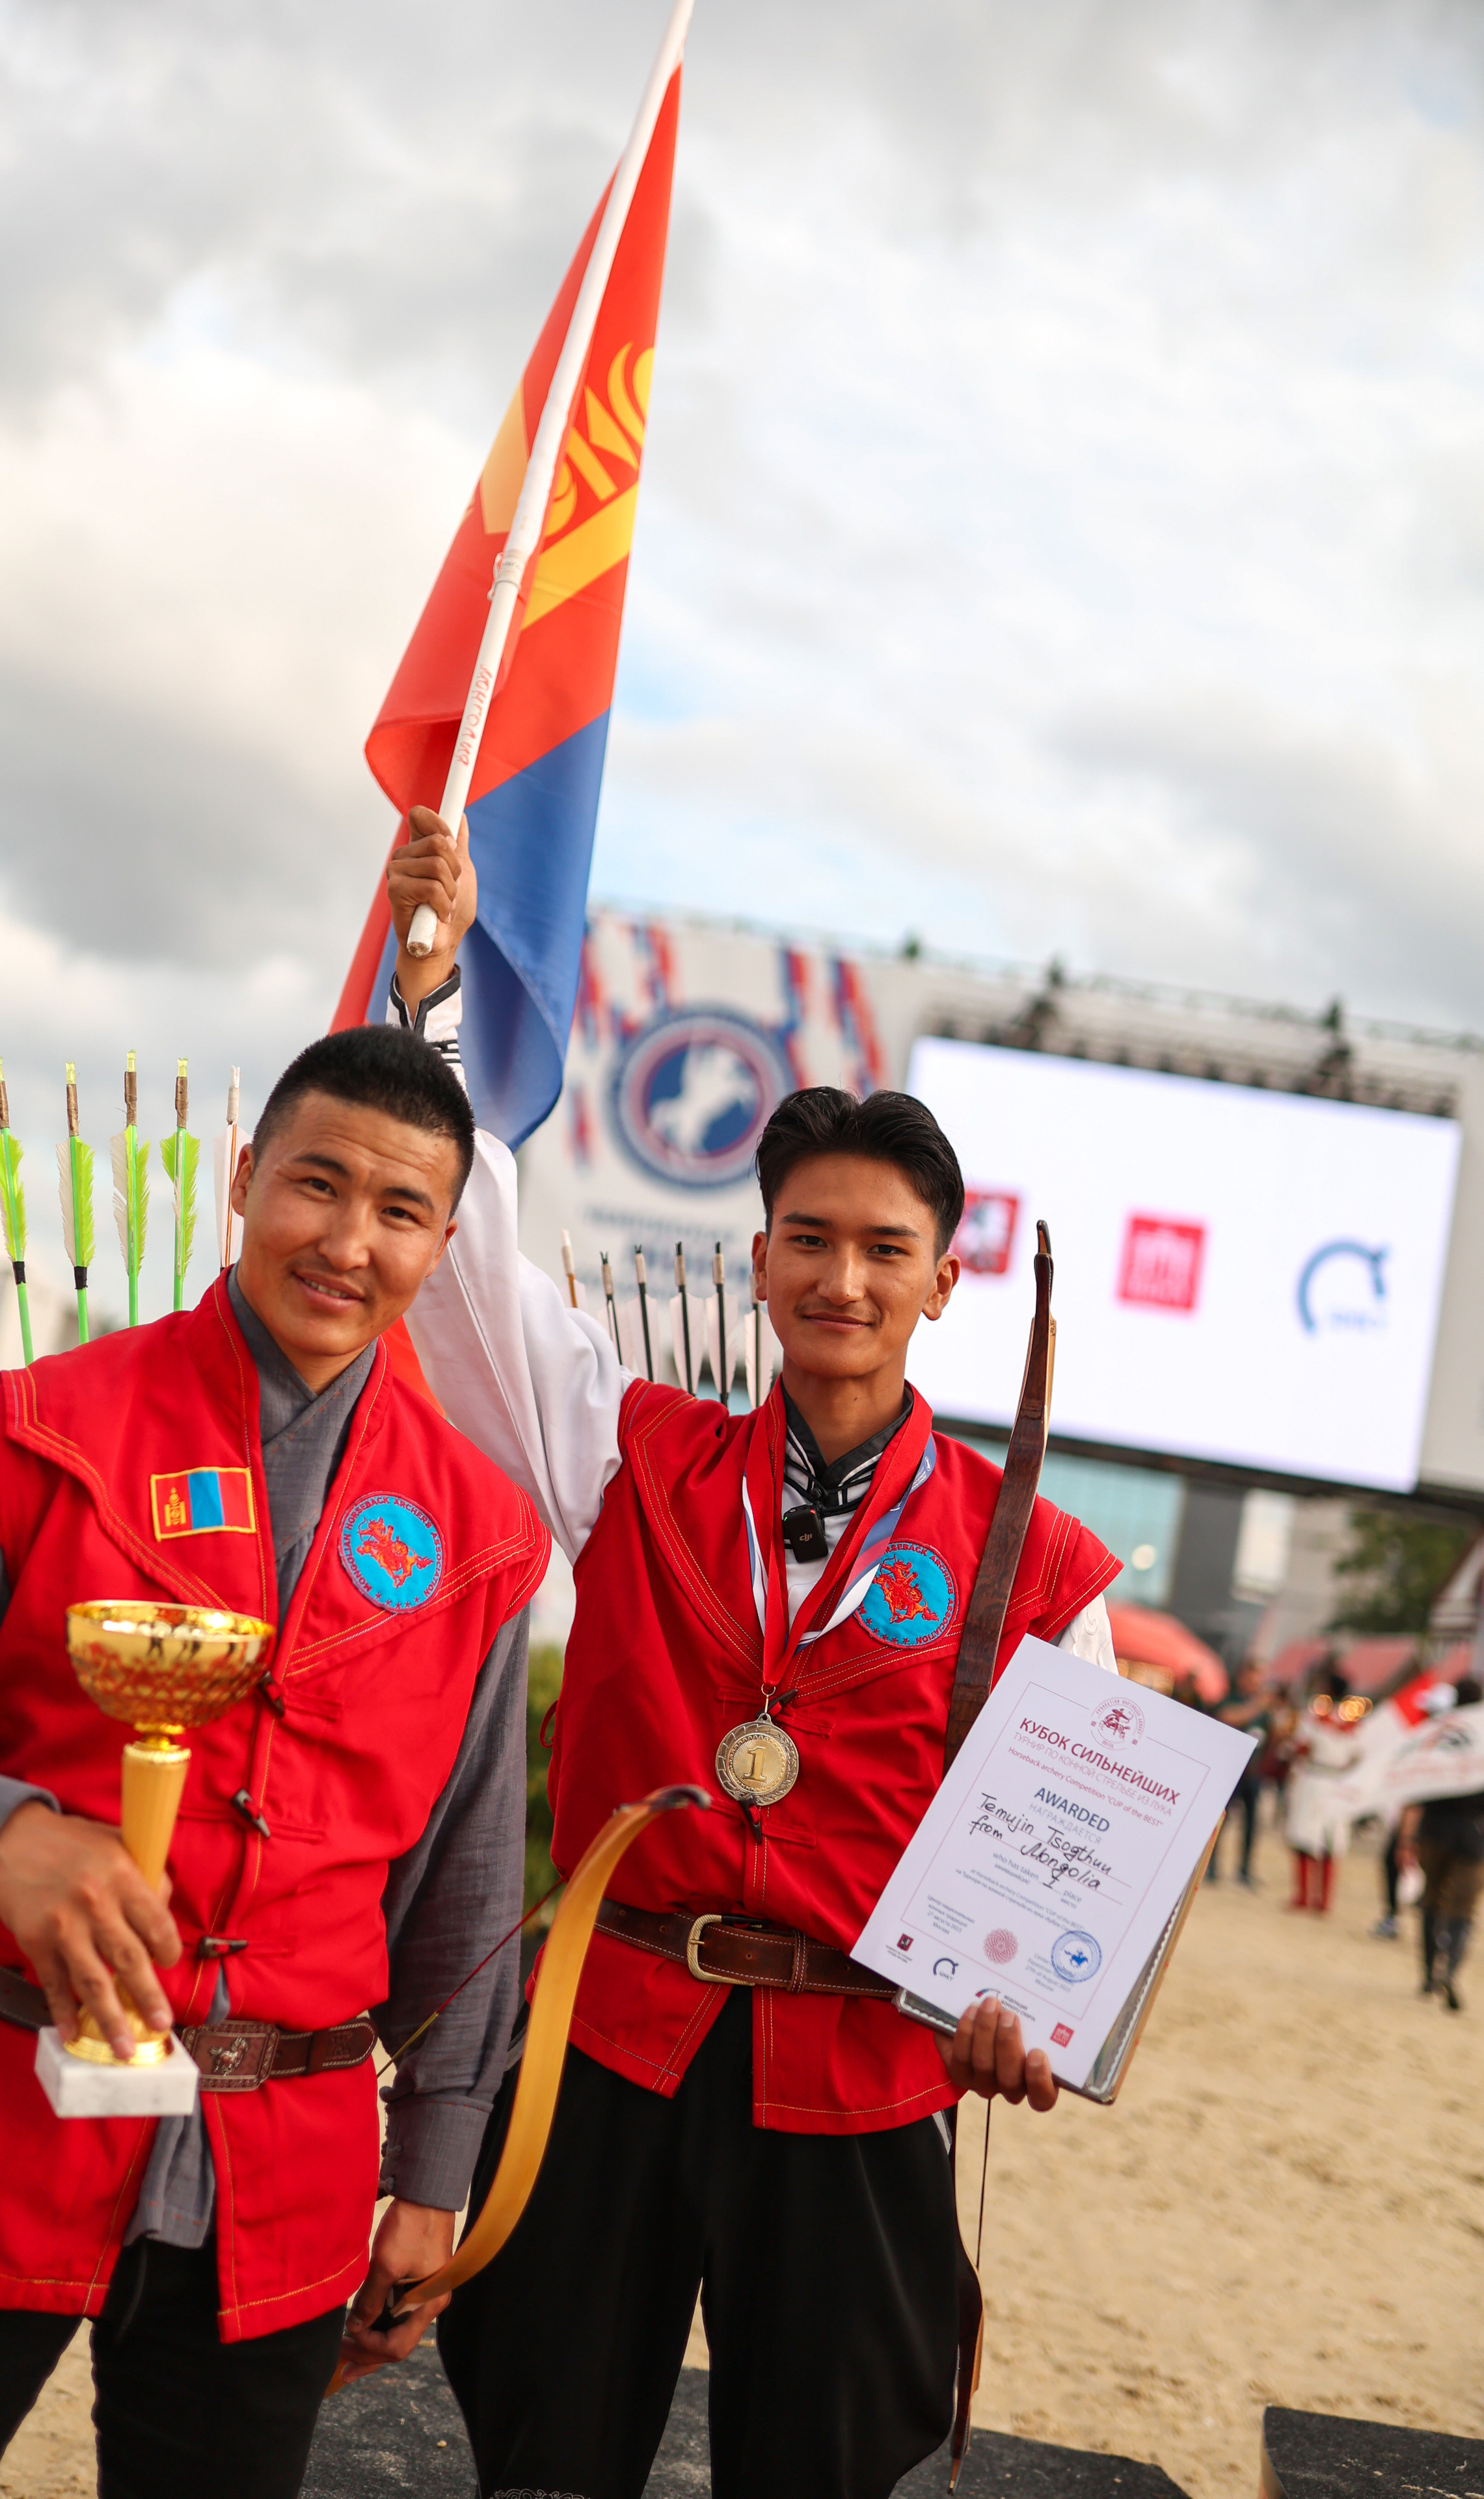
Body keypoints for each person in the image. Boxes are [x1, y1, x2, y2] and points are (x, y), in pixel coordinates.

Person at [342, 816, 1124, 2499]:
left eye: (885, 1251)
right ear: (760, 1260)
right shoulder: (633, 1454)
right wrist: (431, 1010)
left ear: (942, 1283)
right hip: (609, 2040)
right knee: (544, 2445)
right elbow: (470, 1277)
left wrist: (1032, 2013)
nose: (843, 1278)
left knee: (826, 2469)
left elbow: (1081, 1857)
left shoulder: (1034, 1561)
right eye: (811, 1241)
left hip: (854, 2080)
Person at [0, 1024, 550, 2499]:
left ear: (445, 1241)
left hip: (287, 2173)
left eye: (400, 1211)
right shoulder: (41, 1432)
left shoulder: (476, 1530)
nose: (348, 1240)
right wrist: (1, 1830)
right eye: (316, 1183)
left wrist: (435, 2175)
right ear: (241, 1178)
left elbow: (462, 1885)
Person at [1397, 1674, 1484, 2010]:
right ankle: (1450, 1969)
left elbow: (1417, 1783)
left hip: (1435, 1830)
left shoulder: (1439, 1732)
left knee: (1432, 1899)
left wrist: (1406, 1835)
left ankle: (1428, 1974)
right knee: (1464, 1907)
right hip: (1474, 1835)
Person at [1283, 1663, 1360, 1912]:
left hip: (1315, 1779)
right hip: (1339, 1782)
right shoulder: (1354, 1724)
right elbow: (1358, 1756)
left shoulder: (1315, 1719)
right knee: (1331, 1842)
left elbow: (1301, 1747)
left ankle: (1304, 1895)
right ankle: (1324, 1900)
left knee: (1305, 1837)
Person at [1207, 1659, 1269, 1886]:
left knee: (1253, 1825)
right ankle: (1212, 1867)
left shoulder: (1262, 1707)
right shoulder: (1230, 1699)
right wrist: (1257, 1706)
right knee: (1221, 1822)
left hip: (1253, 1772)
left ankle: (1244, 1869)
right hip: (1230, 1772)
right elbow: (1227, 1716)